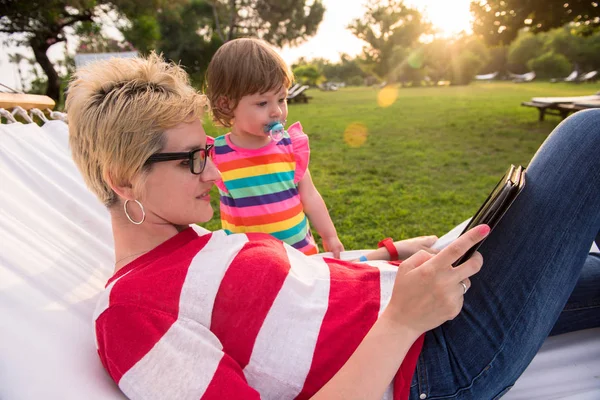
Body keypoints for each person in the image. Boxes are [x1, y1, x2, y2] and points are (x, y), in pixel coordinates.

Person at [66, 52, 600, 400]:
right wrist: (400, 322)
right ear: (124, 180)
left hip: (426, 308)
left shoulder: (195, 242)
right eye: (191, 159)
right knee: (587, 136)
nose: (212, 168)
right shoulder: (132, 311)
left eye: (208, 149)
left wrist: (391, 255)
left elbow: (303, 281)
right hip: (431, 365)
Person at [205, 38, 344, 257]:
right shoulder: (216, 156)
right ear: (227, 104)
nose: (276, 111)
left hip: (300, 255)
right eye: (262, 103)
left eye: (281, 99)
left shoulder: (290, 148)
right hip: (252, 263)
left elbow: (310, 196)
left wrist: (330, 236)